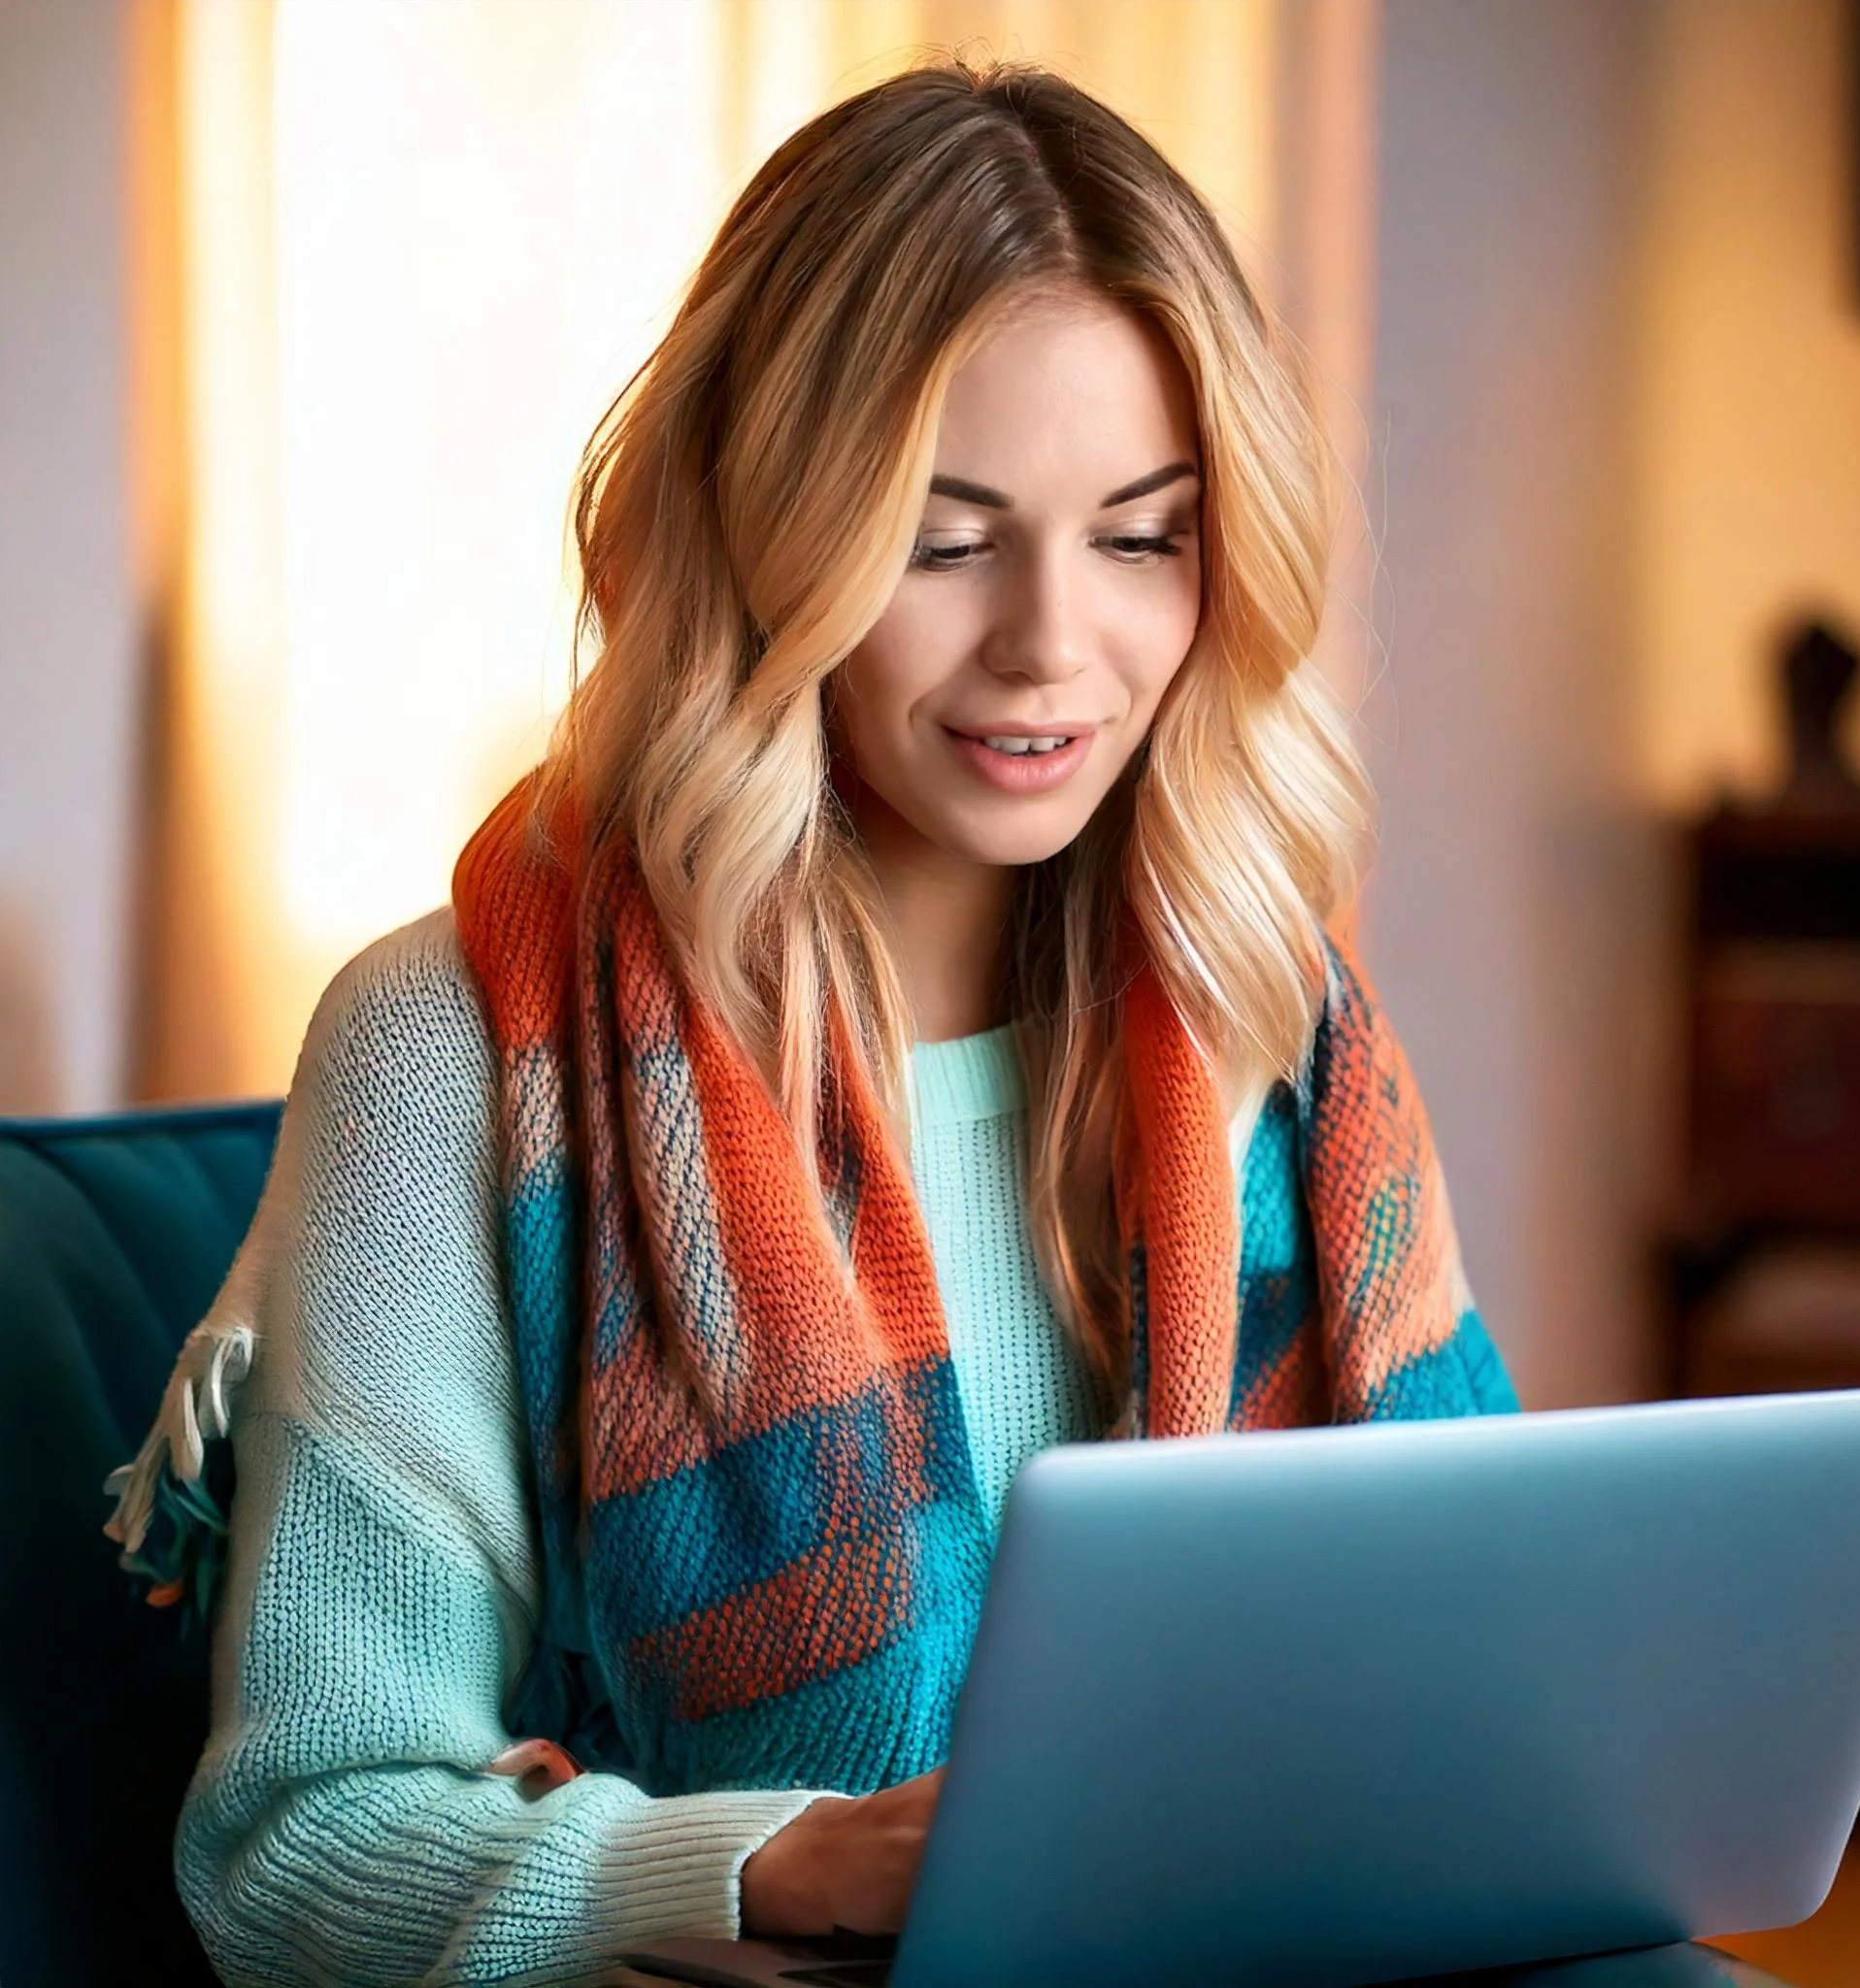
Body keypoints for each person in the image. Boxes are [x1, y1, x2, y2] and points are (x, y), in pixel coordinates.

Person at [107, 55, 1518, 1985]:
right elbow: (298, 1845)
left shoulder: (1274, 1007)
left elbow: (1495, 1668)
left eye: (1139, 534)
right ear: (768, 527)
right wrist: (776, 1861)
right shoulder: (453, 1042)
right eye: (941, 541)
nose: (1049, 643)